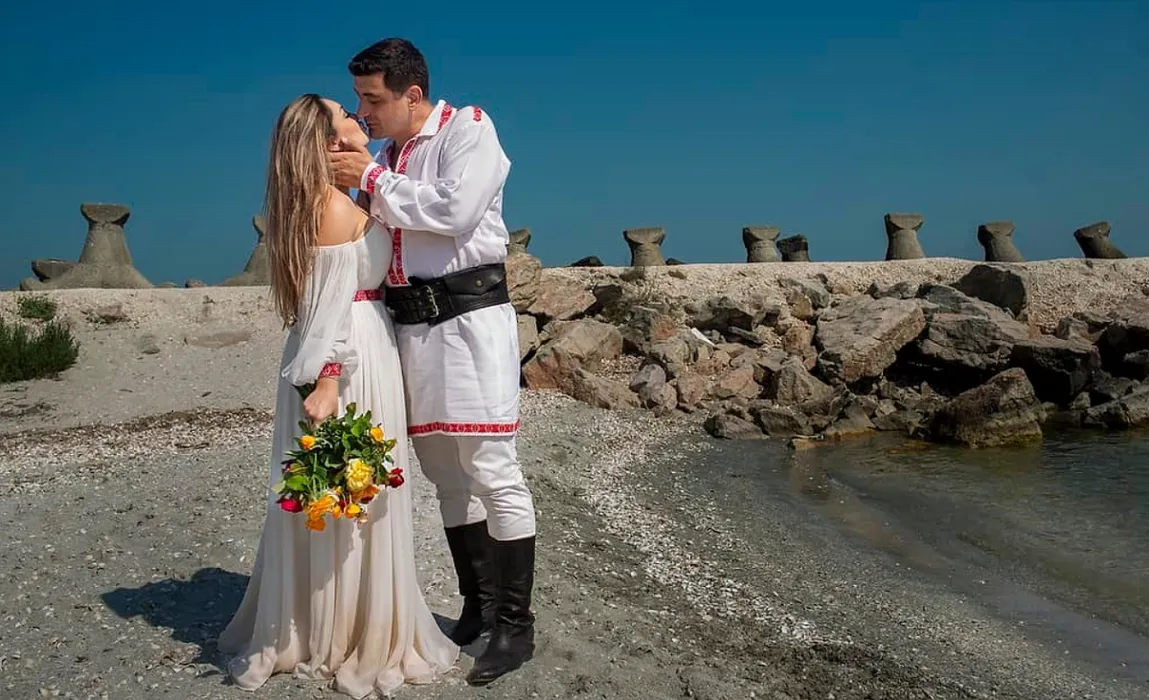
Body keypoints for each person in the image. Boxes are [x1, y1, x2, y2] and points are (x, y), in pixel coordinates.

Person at [217, 93, 459, 699]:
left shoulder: (326, 199)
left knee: (350, 492)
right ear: (327, 142)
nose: (358, 115)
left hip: (359, 346)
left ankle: (333, 619)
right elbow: (325, 308)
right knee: (350, 490)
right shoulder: (326, 208)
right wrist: (327, 382)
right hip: (348, 361)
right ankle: (344, 630)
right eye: (345, 115)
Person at [329, 38, 537, 686]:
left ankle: (515, 626)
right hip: (411, 329)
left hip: (470, 322)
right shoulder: (389, 157)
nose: (364, 113)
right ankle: (477, 606)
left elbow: (454, 210)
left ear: (412, 93)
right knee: (445, 473)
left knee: (492, 469)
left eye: (372, 100)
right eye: (360, 100)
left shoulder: (466, 129)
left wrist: (369, 180)